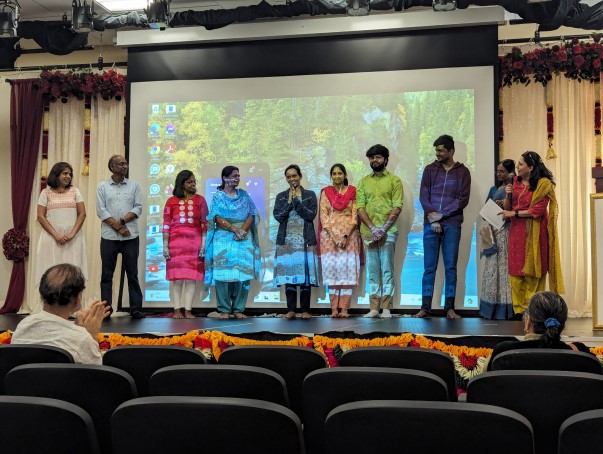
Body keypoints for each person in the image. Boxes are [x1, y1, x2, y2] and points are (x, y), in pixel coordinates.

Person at [414, 134, 471, 319]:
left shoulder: (463, 172)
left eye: (441, 150)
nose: (437, 153)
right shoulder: (430, 170)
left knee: (450, 267)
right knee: (429, 267)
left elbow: (462, 200)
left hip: (452, 224)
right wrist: (434, 218)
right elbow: (424, 196)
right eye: (436, 150)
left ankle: (450, 308)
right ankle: (425, 307)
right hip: (431, 224)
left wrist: (441, 216)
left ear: (451, 151)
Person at [501, 151, 563, 317]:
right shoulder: (515, 181)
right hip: (516, 232)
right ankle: (519, 311)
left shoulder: (543, 184)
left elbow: (538, 210)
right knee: (516, 271)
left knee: (533, 272)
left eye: (521, 164)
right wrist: (508, 194)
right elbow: (507, 208)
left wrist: (514, 214)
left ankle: (534, 311)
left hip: (536, 232)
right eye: (518, 164)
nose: (517, 167)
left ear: (531, 167)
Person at [11, 264, 110, 365]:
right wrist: (92, 335)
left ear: (41, 293)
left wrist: (77, 328)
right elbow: (97, 375)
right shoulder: (82, 340)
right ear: (77, 298)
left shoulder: (22, 327)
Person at [205, 166, 260, 319]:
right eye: (234, 176)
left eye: (238, 175)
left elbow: (252, 213)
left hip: (243, 237)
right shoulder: (218, 197)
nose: (237, 178)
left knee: (243, 272)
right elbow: (215, 217)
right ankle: (224, 309)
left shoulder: (243, 195)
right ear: (225, 178)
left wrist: (242, 230)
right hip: (223, 236)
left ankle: (238, 309)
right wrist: (233, 229)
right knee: (223, 274)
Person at [487, 291, 591, 371]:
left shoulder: (503, 351)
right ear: (562, 325)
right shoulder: (581, 354)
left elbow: (482, 385)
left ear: (528, 321)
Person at [96, 155, 145, 319]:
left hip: (130, 236)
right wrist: (117, 227)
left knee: (132, 273)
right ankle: (106, 310)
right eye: (121, 163)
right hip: (109, 236)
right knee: (107, 275)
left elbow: (138, 207)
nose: (125, 166)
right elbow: (100, 210)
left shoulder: (134, 186)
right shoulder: (102, 186)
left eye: (125, 163)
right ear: (112, 167)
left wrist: (122, 222)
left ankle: (136, 309)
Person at [356, 144, 403, 318]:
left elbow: (397, 206)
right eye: (371, 158)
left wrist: (382, 229)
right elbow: (360, 207)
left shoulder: (394, 181)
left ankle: (386, 308)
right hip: (368, 232)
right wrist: (373, 228)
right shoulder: (363, 182)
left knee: (387, 270)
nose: (374, 160)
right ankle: (374, 308)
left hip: (389, 231)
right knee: (373, 270)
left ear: (386, 159)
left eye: (378, 157)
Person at [273, 164, 320, 319]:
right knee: (289, 275)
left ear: (300, 176)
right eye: (288, 176)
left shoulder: (310, 195)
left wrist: (297, 202)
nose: (291, 179)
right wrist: (288, 203)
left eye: (294, 176)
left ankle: (305, 310)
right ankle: (291, 309)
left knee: (305, 276)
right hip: (286, 241)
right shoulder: (281, 196)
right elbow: (278, 216)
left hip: (305, 240)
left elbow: (310, 215)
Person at [163, 170, 208, 319]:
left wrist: (203, 246)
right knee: (177, 279)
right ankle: (176, 309)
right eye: (190, 181)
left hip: (194, 244)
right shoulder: (171, 201)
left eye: (194, 181)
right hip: (175, 244)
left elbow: (204, 224)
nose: (193, 184)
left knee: (190, 278)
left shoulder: (200, 200)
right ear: (181, 183)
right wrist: (165, 245)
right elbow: (166, 224)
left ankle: (188, 310)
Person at [319, 163, 361, 318]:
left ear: (344, 175)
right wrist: (334, 237)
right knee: (332, 273)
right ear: (331, 176)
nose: (337, 176)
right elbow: (324, 217)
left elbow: (354, 216)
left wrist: (345, 236)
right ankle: (333, 309)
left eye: (340, 173)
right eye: (334, 173)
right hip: (329, 239)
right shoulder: (326, 193)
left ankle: (344, 309)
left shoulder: (352, 192)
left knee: (347, 273)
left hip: (349, 238)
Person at [35, 162, 87, 284]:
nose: (68, 176)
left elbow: (82, 214)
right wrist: (56, 235)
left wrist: (72, 233)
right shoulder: (45, 193)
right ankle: (53, 302)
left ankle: (72, 302)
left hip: (73, 239)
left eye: (70, 174)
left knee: (73, 274)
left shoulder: (75, 191)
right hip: (51, 239)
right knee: (51, 274)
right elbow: (40, 216)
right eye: (65, 173)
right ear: (56, 174)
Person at [479, 159, 515, 320]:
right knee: (492, 268)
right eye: (497, 171)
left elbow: (516, 208)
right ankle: (490, 309)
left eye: (502, 171)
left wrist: (506, 202)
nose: (498, 174)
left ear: (511, 172)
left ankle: (505, 310)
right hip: (494, 230)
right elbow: (484, 209)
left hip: (507, 230)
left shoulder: (514, 189)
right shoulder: (494, 189)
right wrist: (495, 204)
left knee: (504, 268)